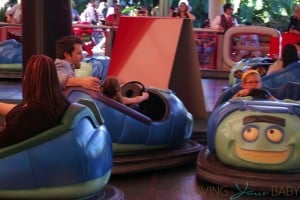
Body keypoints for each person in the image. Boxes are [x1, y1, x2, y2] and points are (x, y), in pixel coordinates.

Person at [0, 55, 70, 148]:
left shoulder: (33, 113)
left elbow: (4, 139)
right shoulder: (57, 101)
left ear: (28, 79)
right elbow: (21, 109)